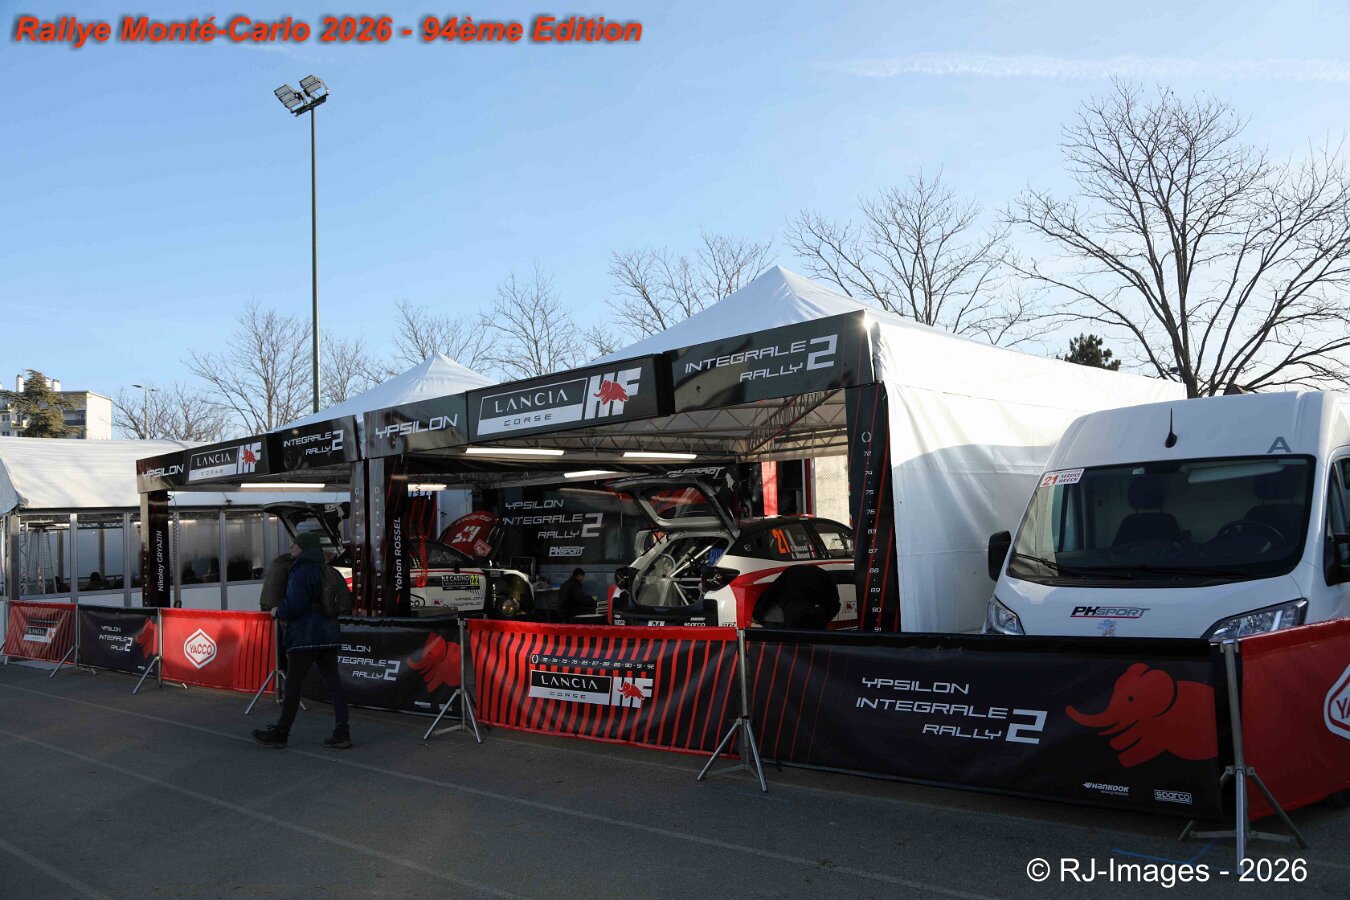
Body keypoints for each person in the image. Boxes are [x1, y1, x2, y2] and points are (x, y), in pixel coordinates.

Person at [252, 532, 351, 750]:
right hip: (328, 635)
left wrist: (278, 611)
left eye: (295, 545)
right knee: (335, 684)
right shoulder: (330, 571)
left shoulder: (300, 572)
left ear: (303, 548)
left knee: (293, 685)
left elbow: (295, 606)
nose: (291, 548)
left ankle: (281, 733)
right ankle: (342, 732)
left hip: (305, 636)